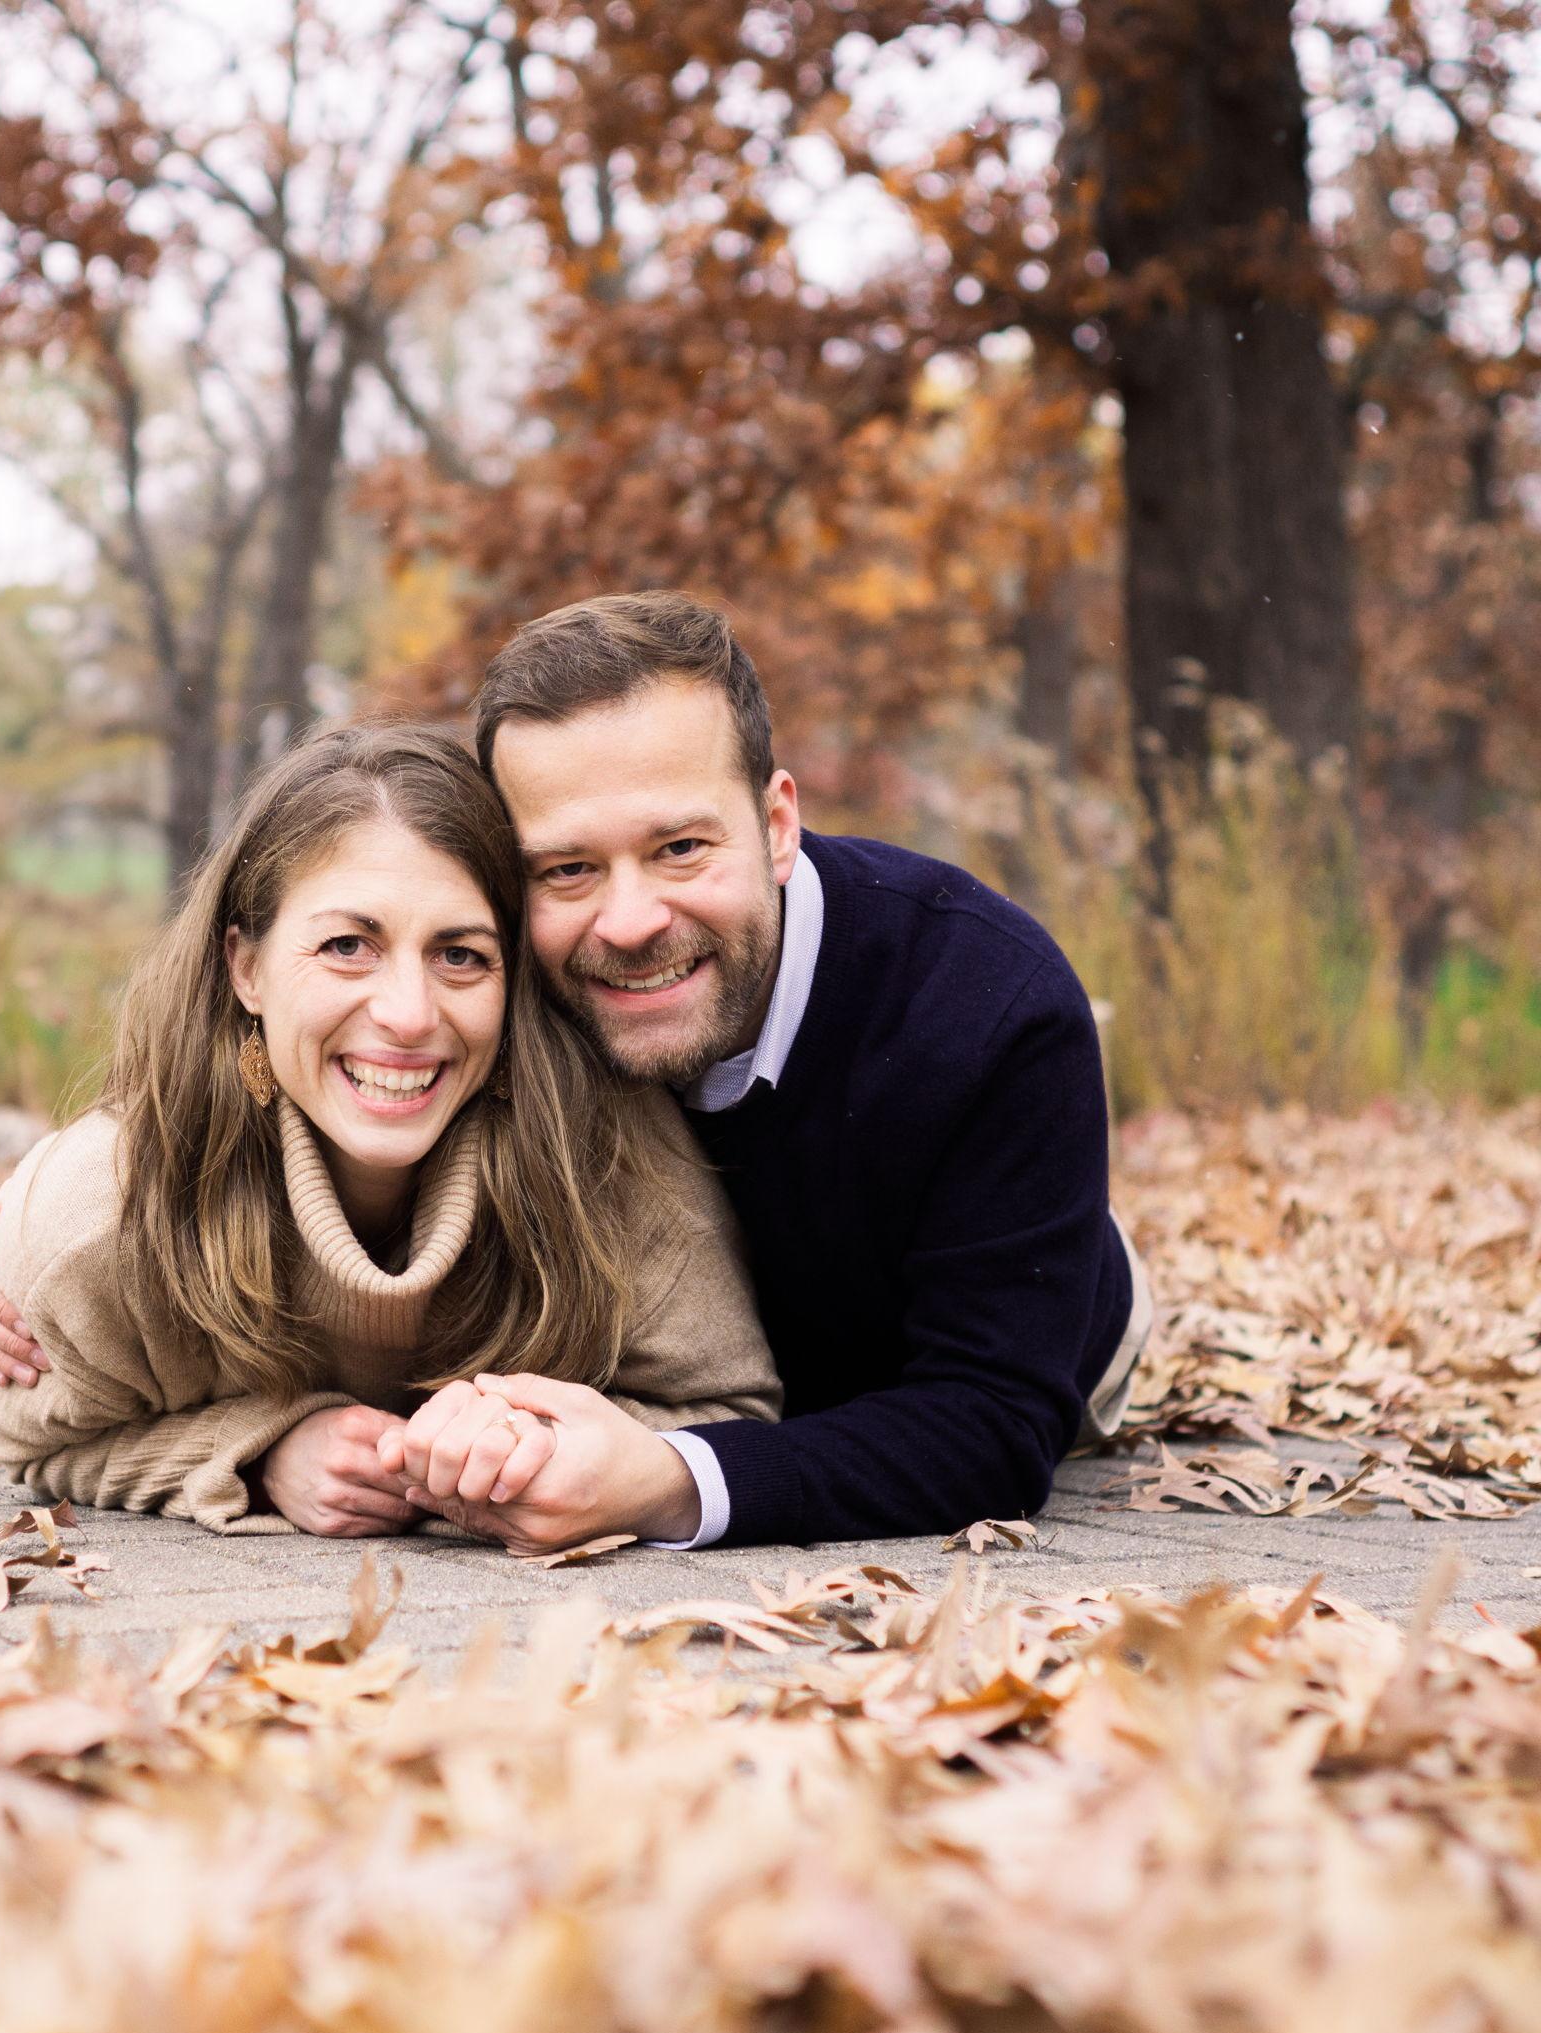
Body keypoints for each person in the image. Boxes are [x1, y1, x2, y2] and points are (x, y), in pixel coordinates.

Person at [376, 591, 1152, 1550]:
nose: (629, 923)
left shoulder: (989, 1001)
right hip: (702, 1369)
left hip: (1002, 1333)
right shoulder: (483, 987)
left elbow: (991, 1427)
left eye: (680, 849)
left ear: (778, 824)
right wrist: (295, 1440)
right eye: (567, 869)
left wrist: (668, 1484)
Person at [0, 720, 780, 1540]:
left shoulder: (606, 1157)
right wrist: (256, 1455)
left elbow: (733, 1407)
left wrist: (541, 1442)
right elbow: (36, 1443)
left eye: (460, 955)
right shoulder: (105, 1217)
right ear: (246, 967)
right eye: (348, 945)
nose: (408, 1015)